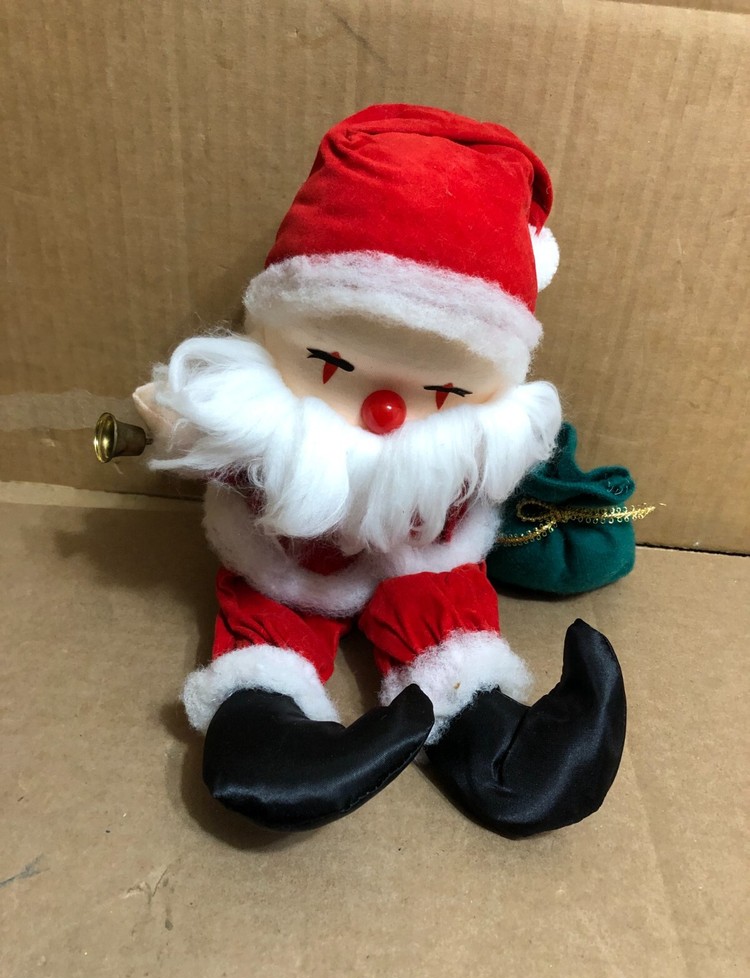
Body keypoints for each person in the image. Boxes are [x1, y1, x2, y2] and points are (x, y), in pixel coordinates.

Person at [134, 105, 625, 835]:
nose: (387, 412)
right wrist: (183, 422)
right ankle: (267, 726)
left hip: (421, 564)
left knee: (449, 620)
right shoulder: (267, 426)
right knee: (271, 624)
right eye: (332, 365)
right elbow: (192, 428)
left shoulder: (471, 448)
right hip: (292, 561)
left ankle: (489, 732)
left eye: (443, 390)